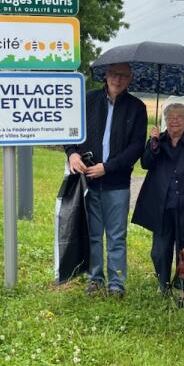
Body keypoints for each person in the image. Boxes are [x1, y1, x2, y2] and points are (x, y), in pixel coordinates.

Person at [64, 62, 147, 297]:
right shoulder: (87, 100)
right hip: (87, 181)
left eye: (123, 75)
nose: (117, 79)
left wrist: (108, 168)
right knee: (92, 233)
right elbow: (69, 129)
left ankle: (117, 284)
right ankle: (95, 278)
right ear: (105, 75)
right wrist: (71, 152)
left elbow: (135, 148)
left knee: (116, 236)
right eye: (113, 74)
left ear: (130, 79)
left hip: (117, 182)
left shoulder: (137, 108)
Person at [132, 103, 184, 305]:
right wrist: (153, 142)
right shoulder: (158, 141)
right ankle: (163, 286)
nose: (174, 120)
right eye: (170, 116)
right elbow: (146, 163)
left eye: (179, 117)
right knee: (159, 251)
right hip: (162, 207)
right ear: (165, 120)